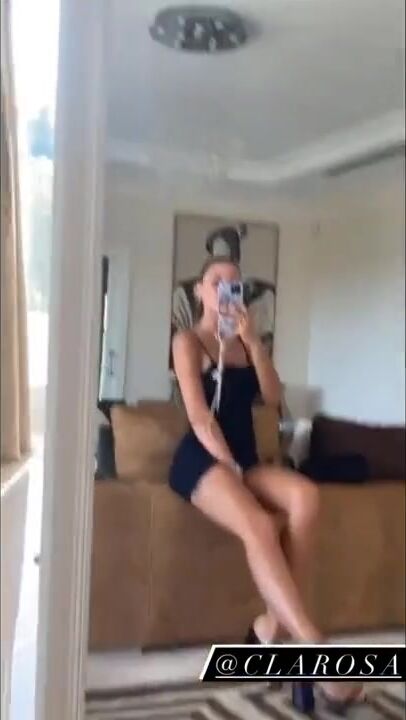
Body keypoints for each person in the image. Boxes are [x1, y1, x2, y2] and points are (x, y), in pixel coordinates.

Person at [169, 255, 364, 711]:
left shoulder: (245, 341)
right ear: (200, 290)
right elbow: (199, 417)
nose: (225, 289)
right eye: (217, 281)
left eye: (234, 283)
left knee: (306, 497)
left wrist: (253, 342)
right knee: (258, 525)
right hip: (203, 457)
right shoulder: (188, 341)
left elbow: (273, 398)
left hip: (246, 458)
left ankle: (269, 629)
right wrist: (230, 471)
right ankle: (315, 654)